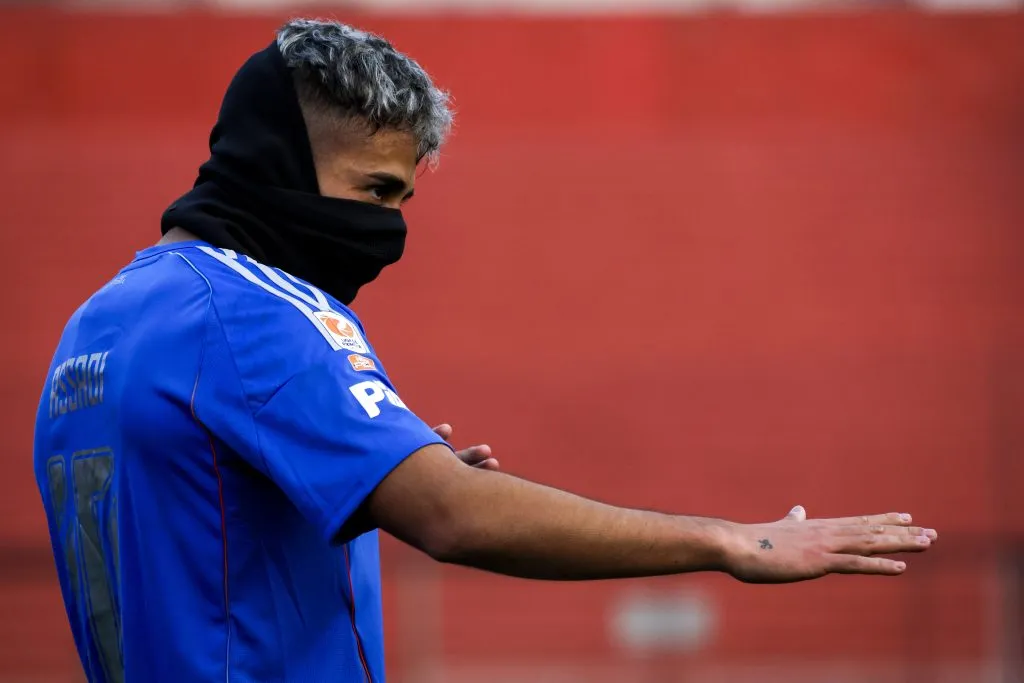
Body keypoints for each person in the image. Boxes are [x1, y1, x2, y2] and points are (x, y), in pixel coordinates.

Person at [33, 18, 937, 683]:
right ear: (277, 159)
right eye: (374, 191)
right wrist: (733, 539)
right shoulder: (260, 314)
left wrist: (379, 468)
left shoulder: (102, 324)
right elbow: (455, 519)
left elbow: (202, 530)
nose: (385, 230)